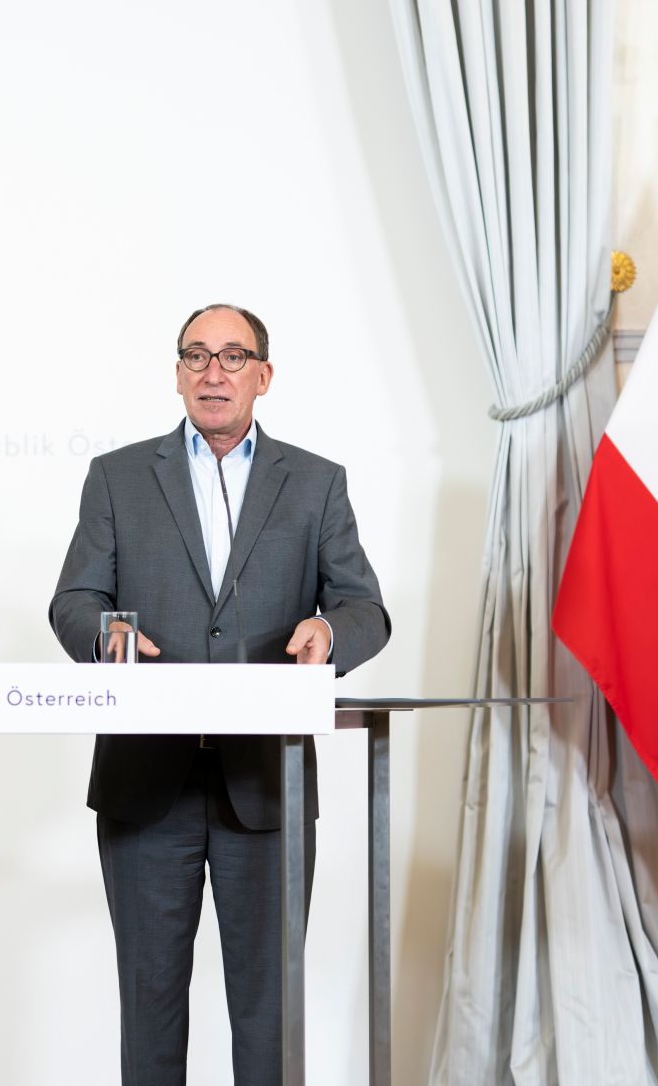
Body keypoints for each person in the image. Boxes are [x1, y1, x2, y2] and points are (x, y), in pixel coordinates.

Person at [49, 304, 389, 1084]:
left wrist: (328, 635)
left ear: (263, 377)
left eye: (233, 356)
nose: (213, 371)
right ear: (176, 374)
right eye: (196, 355)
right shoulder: (119, 476)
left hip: (267, 783)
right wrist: (105, 634)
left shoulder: (314, 482)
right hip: (144, 783)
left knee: (270, 1015)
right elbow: (73, 599)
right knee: (151, 1009)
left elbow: (365, 607)